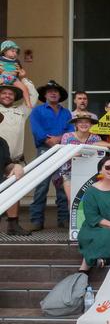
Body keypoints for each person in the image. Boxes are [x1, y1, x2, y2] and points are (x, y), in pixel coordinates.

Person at [29, 80, 73, 231]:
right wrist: (49, 140)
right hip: (44, 150)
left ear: (60, 95)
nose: (53, 93)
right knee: (42, 186)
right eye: (50, 91)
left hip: (62, 150)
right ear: (45, 95)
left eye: (56, 91)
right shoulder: (37, 111)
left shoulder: (66, 112)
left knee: (62, 185)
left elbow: (70, 129)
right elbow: (36, 129)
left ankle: (63, 220)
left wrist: (59, 139)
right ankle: (36, 221)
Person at [59, 112, 110, 202]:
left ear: (91, 124)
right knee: (72, 200)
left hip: (89, 173)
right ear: (76, 124)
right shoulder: (67, 136)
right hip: (69, 173)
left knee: (89, 200)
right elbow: (63, 155)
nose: (83, 124)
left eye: (87, 122)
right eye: (80, 122)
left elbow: (98, 144)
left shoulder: (95, 137)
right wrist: (81, 153)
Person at [0, 81, 36, 234]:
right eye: (4, 93)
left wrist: (22, 79)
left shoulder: (21, 111)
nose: (7, 96)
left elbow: (33, 96)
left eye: (11, 94)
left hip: (13, 161)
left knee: (14, 191)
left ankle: (13, 225)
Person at [0, 111, 31, 235]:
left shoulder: (2, 143)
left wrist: (15, 166)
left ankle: (13, 225)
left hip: (0, 181)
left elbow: (7, 164)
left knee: (14, 181)